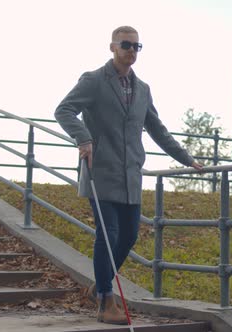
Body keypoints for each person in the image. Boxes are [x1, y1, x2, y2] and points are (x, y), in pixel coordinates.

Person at [55, 25, 202, 325]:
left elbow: (157, 129)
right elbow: (64, 110)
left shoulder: (143, 89)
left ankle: (101, 284)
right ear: (112, 47)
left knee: (130, 236)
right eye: (126, 45)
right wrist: (83, 138)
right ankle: (106, 302)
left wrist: (186, 159)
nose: (131, 50)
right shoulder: (94, 81)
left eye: (137, 46)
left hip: (131, 176)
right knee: (108, 235)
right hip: (101, 173)